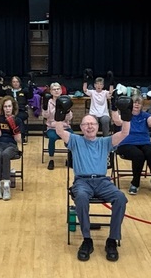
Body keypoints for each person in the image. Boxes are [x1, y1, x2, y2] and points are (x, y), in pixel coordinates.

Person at [54, 103, 131, 262]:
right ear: (81, 128)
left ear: (97, 126)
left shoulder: (105, 142)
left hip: (103, 182)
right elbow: (60, 131)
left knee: (120, 198)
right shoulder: (75, 140)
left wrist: (126, 115)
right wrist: (60, 113)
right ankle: (87, 239)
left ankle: (112, 240)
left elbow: (125, 132)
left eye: (92, 124)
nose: (89, 126)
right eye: (86, 124)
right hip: (82, 182)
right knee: (81, 198)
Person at [116, 93, 151, 195]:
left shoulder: (145, 116)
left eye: (139, 103)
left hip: (143, 142)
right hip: (126, 143)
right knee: (138, 155)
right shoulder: (125, 115)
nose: (137, 105)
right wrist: (114, 107)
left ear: (142, 105)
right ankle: (135, 183)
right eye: (134, 102)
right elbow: (116, 121)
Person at [0, 96, 23, 200]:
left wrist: (14, 128)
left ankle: (7, 185)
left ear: (13, 107)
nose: (7, 109)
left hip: (11, 145)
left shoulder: (17, 120)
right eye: (5, 106)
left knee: (6, 154)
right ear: (2, 108)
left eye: (9, 106)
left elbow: (19, 140)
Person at [42, 81, 73, 170]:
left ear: (61, 91)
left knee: (72, 137)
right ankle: (51, 160)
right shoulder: (48, 102)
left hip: (65, 127)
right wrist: (45, 107)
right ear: (51, 91)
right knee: (52, 138)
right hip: (52, 127)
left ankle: (70, 158)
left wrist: (67, 110)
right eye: (54, 89)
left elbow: (69, 117)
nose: (56, 91)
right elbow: (45, 116)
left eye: (58, 89)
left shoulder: (65, 100)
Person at [82, 70, 112, 135]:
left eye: (101, 84)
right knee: (91, 121)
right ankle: (92, 136)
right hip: (93, 114)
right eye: (97, 84)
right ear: (94, 85)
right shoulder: (92, 92)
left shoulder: (105, 92)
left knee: (106, 120)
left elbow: (110, 93)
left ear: (103, 86)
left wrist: (111, 81)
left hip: (104, 114)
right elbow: (85, 90)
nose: (99, 86)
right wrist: (85, 79)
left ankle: (106, 137)